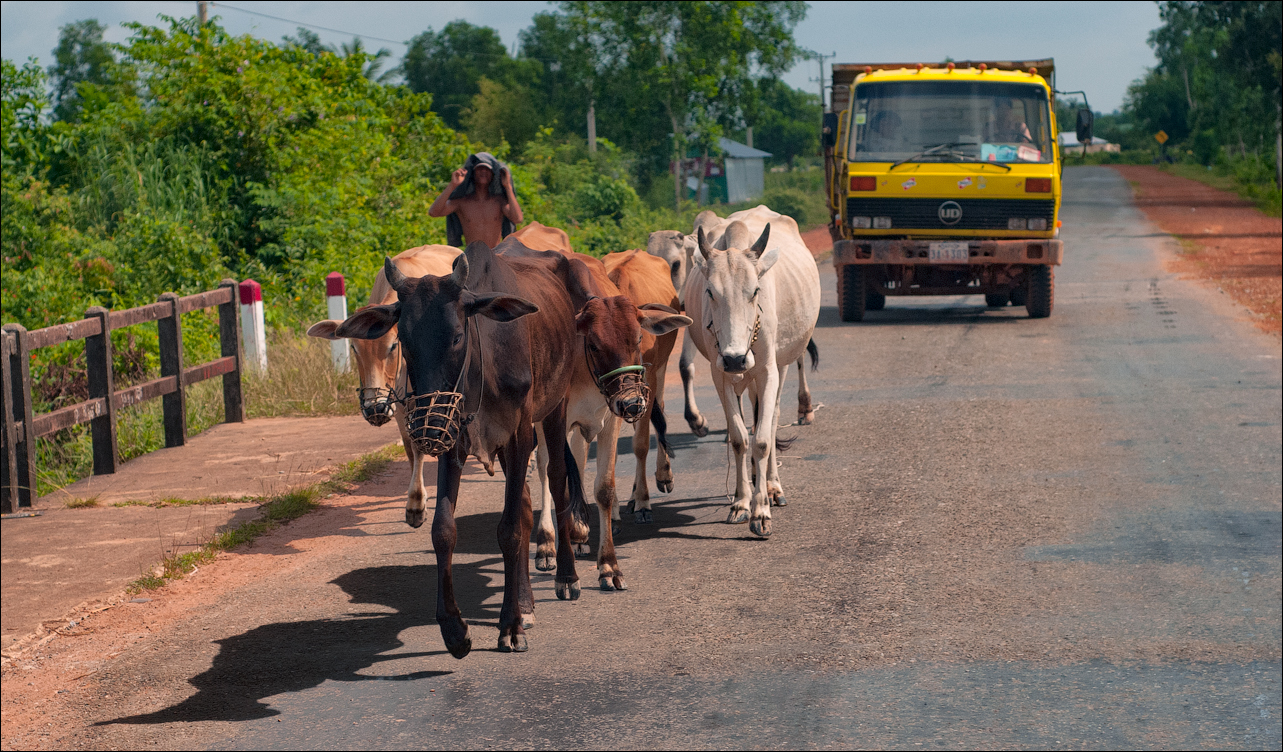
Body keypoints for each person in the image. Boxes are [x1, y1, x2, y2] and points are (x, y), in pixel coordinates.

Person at [428, 152, 523, 248]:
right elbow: (433, 212)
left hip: (494, 256)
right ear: (472, 173)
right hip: (472, 256)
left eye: (487, 169)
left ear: (492, 175)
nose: (483, 171)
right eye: (479, 168)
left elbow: (518, 218)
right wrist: (452, 185)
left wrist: (508, 187)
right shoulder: (461, 203)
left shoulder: (499, 202)